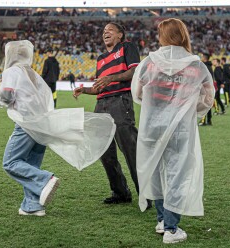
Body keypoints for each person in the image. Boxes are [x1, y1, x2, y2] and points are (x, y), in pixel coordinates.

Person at [0, 40, 116, 216]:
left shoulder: (12, 71)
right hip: (41, 124)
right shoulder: (32, 73)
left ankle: (44, 179)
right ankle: (32, 205)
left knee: (11, 162)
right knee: (32, 163)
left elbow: (6, 95)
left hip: (26, 123)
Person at [131, 18, 214, 244]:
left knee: (156, 174)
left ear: (162, 36)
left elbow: (137, 93)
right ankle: (171, 228)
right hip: (179, 129)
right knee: (177, 175)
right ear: (183, 35)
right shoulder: (196, 66)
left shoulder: (149, 62)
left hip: (152, 127)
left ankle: (161, 220)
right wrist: (187, 108)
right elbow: (208, 98)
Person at [73, 22, 141, 205]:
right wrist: (85, 90)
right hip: (101, 104)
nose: (106, 33)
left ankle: (147, 193)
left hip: (120, 101)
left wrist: (111, 78)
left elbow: (135, 71)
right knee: (105, 151)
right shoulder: (101, 59)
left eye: (110, 30)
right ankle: (120, 192)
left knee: (130, 150)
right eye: (103, 31)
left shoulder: (128, 47)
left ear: (120, 35)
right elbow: (99, 86)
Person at [199, 53, 214, 126]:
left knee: (203, 104)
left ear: (205, 58)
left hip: (204, 87)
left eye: (201, 56)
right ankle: (209, 120)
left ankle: (203, 121)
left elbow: (202, 77)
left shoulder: (204, 66)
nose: (201, 57)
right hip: (209, 88)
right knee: (208, 104)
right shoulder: (210, 66)